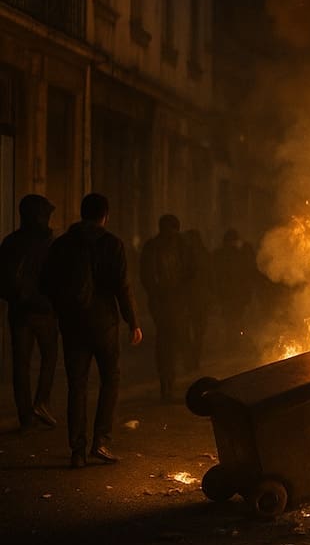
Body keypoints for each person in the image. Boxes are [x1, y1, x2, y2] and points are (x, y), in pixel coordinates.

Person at [41, 193, 142, 468]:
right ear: (104, 215)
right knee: (110, 379)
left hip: (73, 325)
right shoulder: (112, 244)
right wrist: (132, 321)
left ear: (81, 213)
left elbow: (47, 282)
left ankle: (77, 450)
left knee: (77, 385)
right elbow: (122, 287)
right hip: (104, 325)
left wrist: (62, 310)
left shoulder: (62, 244)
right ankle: (101, 441)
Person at [0, 194, 59, 430]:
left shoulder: (10, 242)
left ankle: (25, 414)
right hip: (44, 311)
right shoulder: (49, 243)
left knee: (21, 364)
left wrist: (17, 297)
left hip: (20, 311)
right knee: (49, 358)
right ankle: (41, 402)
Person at [140, 215, 195, 401]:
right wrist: (159, 294)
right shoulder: (154, 248)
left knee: (173, 342)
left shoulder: (182, 247)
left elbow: (191, 273)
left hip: (177, 302)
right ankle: (166, 384)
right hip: (163, 304)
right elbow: (147, 277)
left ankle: (170, 382)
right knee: (166, 344)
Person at [182, 228, 211, 371]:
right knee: (196, 332)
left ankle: (192, 360)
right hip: (195, 300)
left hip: (194, 300)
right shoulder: (203, 254)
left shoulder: (188, 256)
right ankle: (193, 360)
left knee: (193, 332)